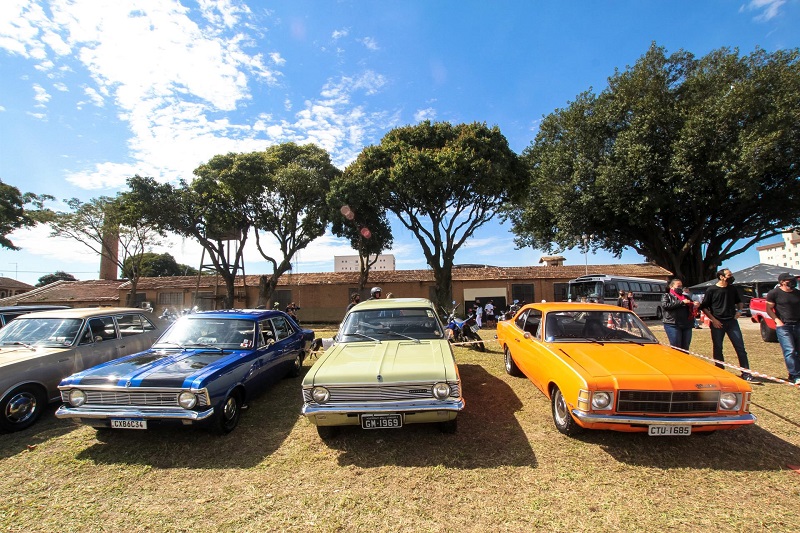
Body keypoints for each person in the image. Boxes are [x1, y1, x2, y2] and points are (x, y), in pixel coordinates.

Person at [698, 268, 753, 381]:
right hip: (717, 323)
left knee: (740, 347)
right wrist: (713, 320)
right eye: (729, 275)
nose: (731, 276)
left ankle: (746, 373)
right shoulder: (711, 290)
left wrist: (739, 311)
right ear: (721, 277)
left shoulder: (732, 289)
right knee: (718, 347)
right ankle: (720, 371)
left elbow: (739, 302)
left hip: (732, 322)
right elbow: (703, 307)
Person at [765, 273, 800, 384]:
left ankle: (793, 372)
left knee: (798, 351)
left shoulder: (798, 293)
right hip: (784, 326)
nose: (792, 281)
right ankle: (795, 376)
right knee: (790, 351)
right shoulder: (774, 293)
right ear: (782, 282)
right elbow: (769, 309)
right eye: (789, 280)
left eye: (793, 279)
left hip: (798, 324)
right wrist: (777, 321)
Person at [660, 278, 697, 350]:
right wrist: (681, 302)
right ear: (671, 287)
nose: (680, 288)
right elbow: (665, 306)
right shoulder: (666, 296)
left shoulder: (686, 296)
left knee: (685, 347)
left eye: (681, 286)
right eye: (678, 286)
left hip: (686, 324)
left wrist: (695, 304)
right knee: (676, 347)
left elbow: (692, 306)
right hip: (673, 324)